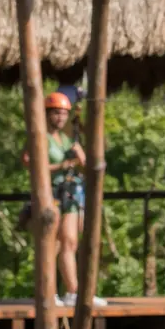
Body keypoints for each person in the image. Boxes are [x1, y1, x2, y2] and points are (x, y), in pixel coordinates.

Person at [20, 92, 103, 307]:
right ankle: (49, 292)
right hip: (51, 193)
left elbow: (87, 168)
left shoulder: (67, 139)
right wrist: (60, 166)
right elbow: (29, 163)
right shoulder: (39, 137)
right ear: (46, 114)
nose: (60, 118)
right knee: (52, 243)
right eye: (56, 113)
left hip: (70, 193)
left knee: (70, 241)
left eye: (64, 114)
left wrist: (80, 155)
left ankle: (74, 292)